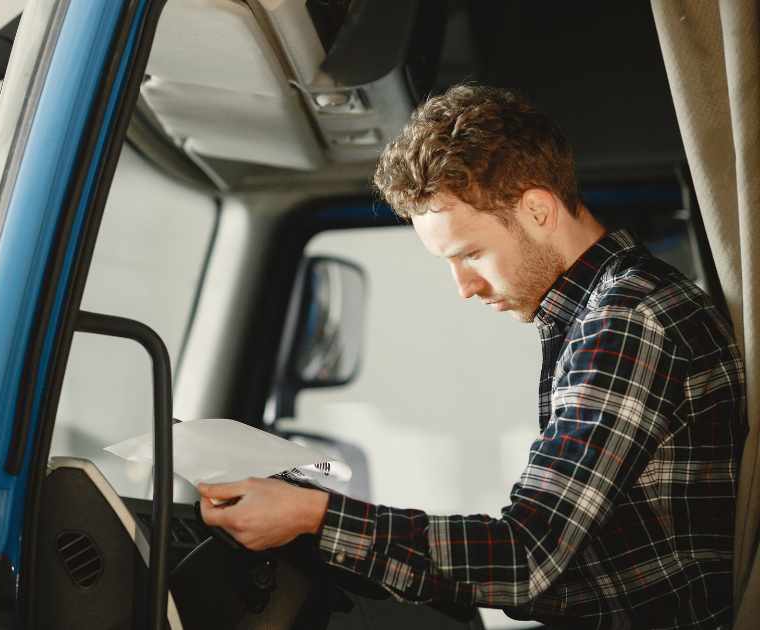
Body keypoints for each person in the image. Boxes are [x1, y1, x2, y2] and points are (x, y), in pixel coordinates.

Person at [198, 84, 746, 629]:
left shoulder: (627, 320)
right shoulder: (601, 315)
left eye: (471, 253)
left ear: (537, 209)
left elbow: (528, 558)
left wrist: (312, 515)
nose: (464, 287)